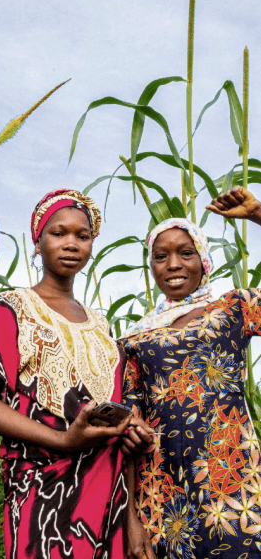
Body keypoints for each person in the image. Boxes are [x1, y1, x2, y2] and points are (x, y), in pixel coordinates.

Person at [0, 188, 153, 559]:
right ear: (37, 241)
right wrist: (65, 440)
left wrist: (130, 431)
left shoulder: (101, 326)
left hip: (109, 494)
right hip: (42, 492)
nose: (71, 244)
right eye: (59, 233)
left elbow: (110, 409)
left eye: (82, 236)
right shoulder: (12, 310)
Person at [121, 186, 261, 559]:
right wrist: (133, 520)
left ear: (204, 259)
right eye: (160, 256)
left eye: (186, 253)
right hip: (161, 491)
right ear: (151, 267)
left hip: (230, 480)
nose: (173, 265)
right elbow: (129, 428)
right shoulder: (136, 335)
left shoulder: (234, 308)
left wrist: (259, 216)